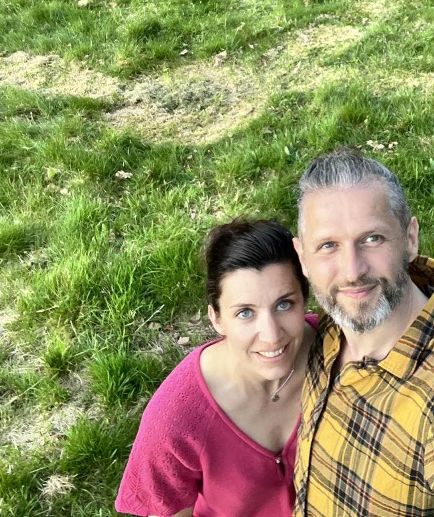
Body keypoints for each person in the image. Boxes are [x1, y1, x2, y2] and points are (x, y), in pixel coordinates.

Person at [291, 148, 434, 516]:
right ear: (303, 258)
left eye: (372, 239)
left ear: (410, 239)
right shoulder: (330, 326)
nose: (352, 271)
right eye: (328, 246)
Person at [116, 218, 317, 517]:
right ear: (217, 319)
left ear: (304, 299)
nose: (272, 335)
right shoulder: (176, 417)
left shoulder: (342, 351)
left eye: (284, 304)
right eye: (245, 313)